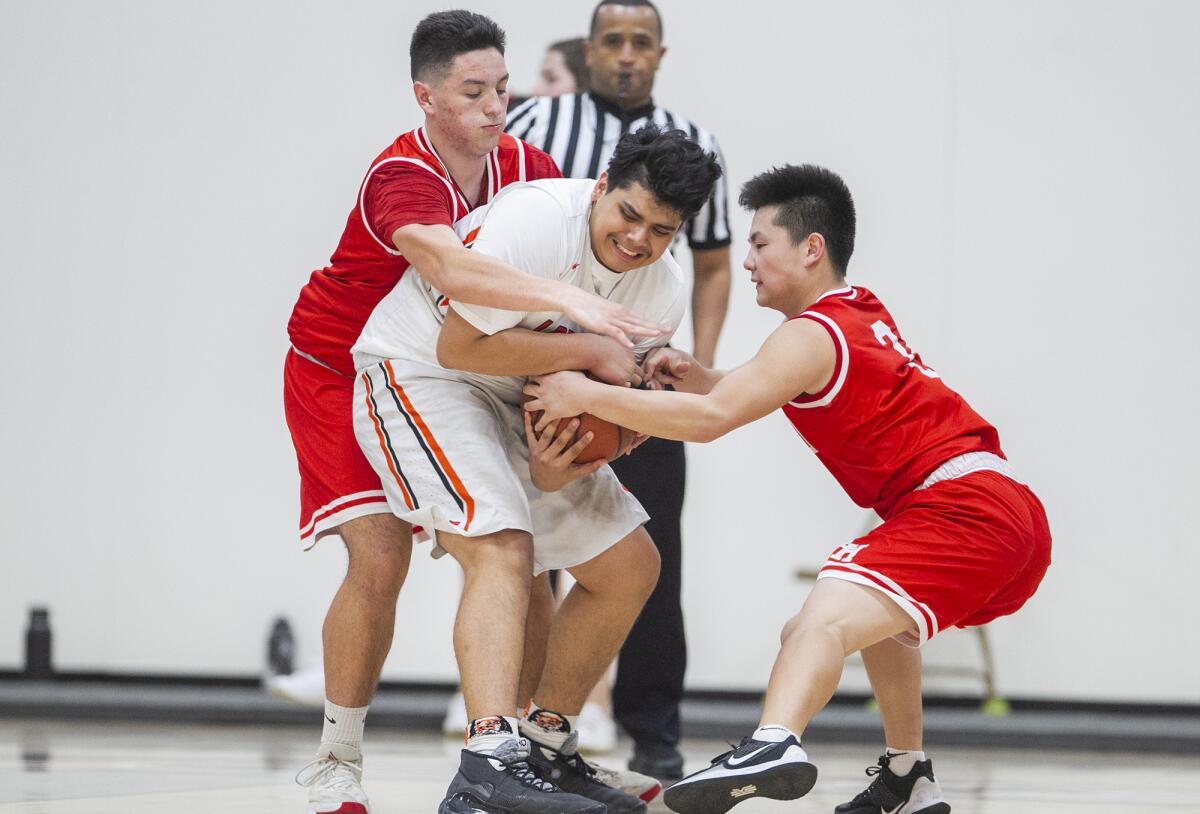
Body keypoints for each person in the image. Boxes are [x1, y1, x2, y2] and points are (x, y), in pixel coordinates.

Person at [523, 164, 1053, 814]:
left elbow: (714, 422)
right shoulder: (854, 312)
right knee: (867, 622)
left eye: (759, 243)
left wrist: (587, 392)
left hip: (963, 511)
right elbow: (739, 392)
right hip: (999, 511)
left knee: (816, 623)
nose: (746, 261)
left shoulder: (808, 335)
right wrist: (697, 374)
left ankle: (773, 742)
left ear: (811, 248)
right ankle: (907, 776)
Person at [283, 11, 666, 814]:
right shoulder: (400, 175)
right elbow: (453, 268)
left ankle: (523, 752)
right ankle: (337, 758)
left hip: (467, 370)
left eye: (502, 87)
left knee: (525, 557)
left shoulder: (527, 164)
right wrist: (568, 305)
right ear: (425, 97)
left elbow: (536, 313)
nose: (496, 106)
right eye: (473, 92)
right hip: (342, 365)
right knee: (380, 556)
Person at [352, 125, 722, 814]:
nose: (639, 239)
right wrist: (582, 345)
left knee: (631, 567)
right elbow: (460, 344)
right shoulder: (537, 219)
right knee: (502, 544)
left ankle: (546, 746)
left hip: (523, 395)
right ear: (603, 188)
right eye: (629, 215)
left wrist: (576, 461)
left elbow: (625, 416)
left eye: (662, 230)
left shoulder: (662, 290)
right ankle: (487, 761)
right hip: (422, 371)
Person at [506, 0, 733, 780]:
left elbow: (711, 264)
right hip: (524, 363)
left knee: (646, 549)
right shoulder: (534, 120)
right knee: (528, 556)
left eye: (642, 42)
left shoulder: (697, 144)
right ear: (589, 48)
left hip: (633, 365)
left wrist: (689, 365)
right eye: (614, 41)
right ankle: (517, 732)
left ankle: (651, 730)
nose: (627, 55)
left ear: (661, 54)